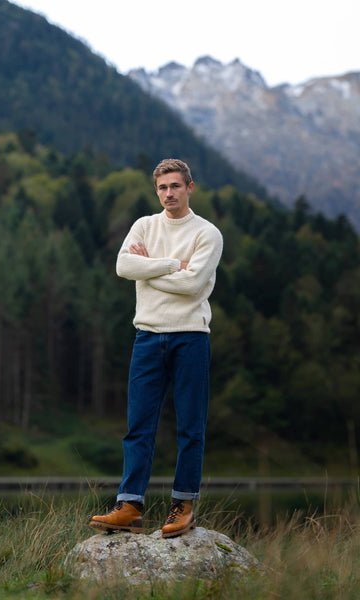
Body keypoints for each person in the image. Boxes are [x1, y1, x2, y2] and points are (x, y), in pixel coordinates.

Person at [89, 158, 223, 538]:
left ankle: (183, 506)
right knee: (138, 426)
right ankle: (130, 505)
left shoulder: (207, 233)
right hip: (147, 336)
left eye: (175, 186)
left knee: (190, 426)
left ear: (189, 188)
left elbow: (193, 286)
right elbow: (123, 266)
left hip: (190, 337)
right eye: (162, 187)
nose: (168, 194)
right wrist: (172, 265)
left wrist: (148, 270)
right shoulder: (144, 226)